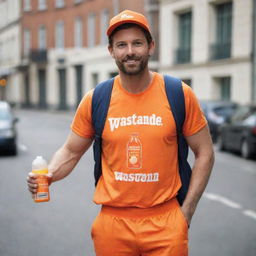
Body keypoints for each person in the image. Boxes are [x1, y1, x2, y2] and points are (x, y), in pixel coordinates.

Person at [27, 9, 214, 256]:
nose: (130, 51)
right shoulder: (97, 99)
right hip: (113, 224)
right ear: (111, 51)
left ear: (151, 47)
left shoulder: (178, 93)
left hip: (166, 220)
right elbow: (72, 150)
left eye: (137, 43)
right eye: (121, 45)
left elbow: (205, 153)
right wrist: (49, 174)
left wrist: (187, 211)